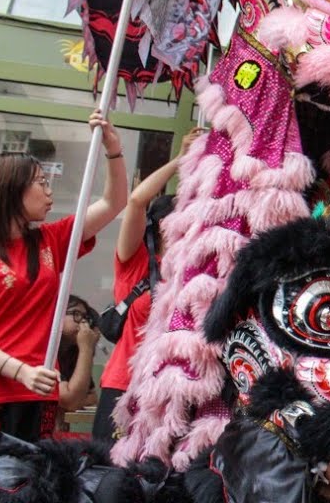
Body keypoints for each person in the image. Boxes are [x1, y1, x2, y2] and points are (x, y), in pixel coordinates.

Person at [0, 109, 126, 441]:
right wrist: (19, 370)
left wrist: (113, 149)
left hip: (39, 392)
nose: (49, 190)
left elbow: (114, 203)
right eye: (41, 182)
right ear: (11, 190)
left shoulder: (50, 240)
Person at [94, 127, 201, 441]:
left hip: (169, 391)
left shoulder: (192, 271)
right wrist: (180, 160)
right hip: (124, 384)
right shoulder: (136, 262)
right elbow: (137, 200)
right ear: (161, 225)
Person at [55, 295, 100, 434]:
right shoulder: (48, 349)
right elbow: (70, 400)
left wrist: (64, 405)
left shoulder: (74, 352)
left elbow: (93, 397)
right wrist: (86, 348)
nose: (83, 322)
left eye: (85, 317)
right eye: (76, 314)